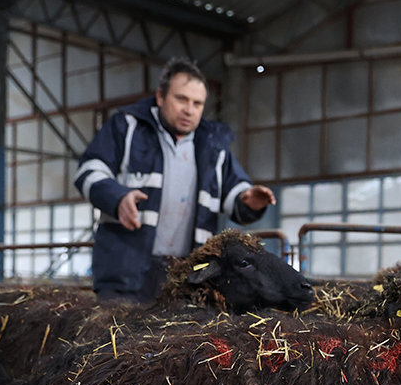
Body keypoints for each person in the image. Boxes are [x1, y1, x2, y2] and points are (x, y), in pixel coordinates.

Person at [74, 57, 275, 302]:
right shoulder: (126, 127)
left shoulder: (213, 146)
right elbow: (88, 171)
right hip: (125, 275)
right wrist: (117, 198)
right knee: (117, 328)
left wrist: (249, 200)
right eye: (181, 99)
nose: (189, 110)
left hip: (186, 277)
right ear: (160, 97)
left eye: (197, 103)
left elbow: (235, 193)